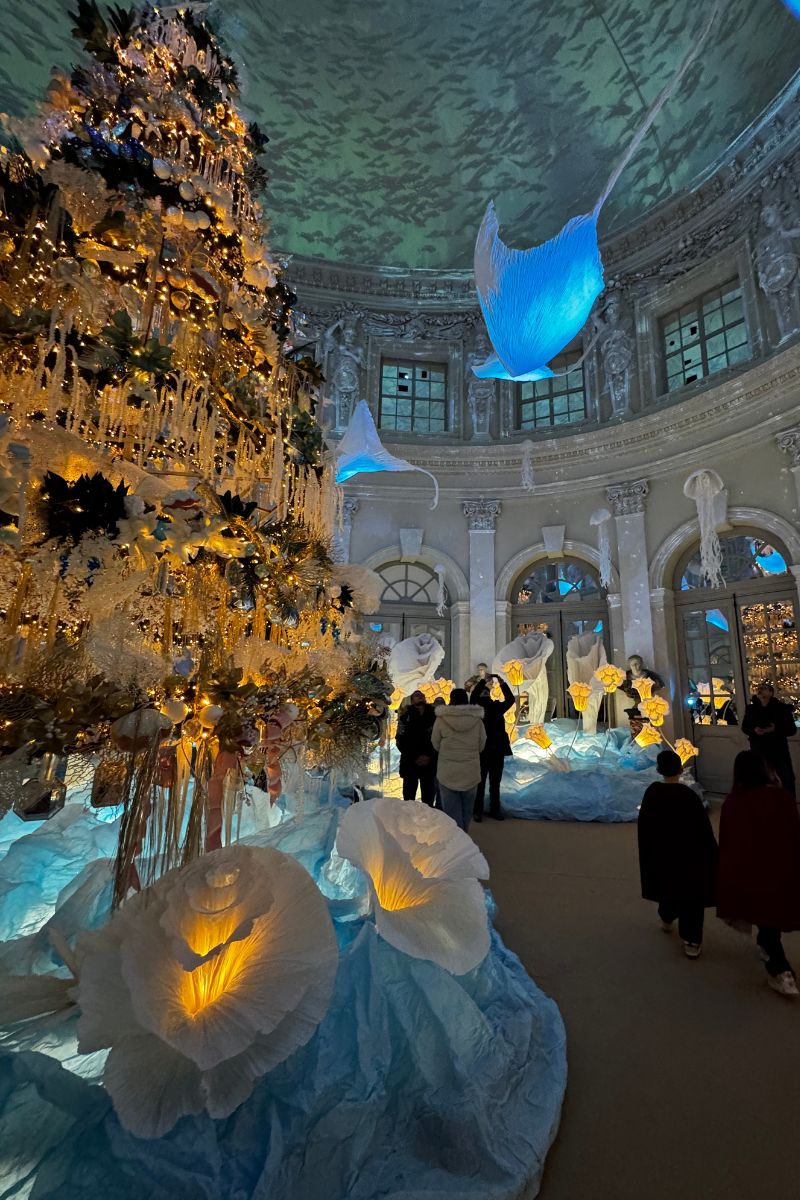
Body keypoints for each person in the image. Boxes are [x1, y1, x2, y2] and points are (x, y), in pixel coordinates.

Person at [717, 750, 800, 997]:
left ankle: (779, 968)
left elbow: (729, 842)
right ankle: (775, 960)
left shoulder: (734, 802)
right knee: (770, 912)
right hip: (779, 868)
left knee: (766, 912)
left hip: (752, 870)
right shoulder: (781, 798)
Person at [638, 749, 718, 958]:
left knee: (667, 885)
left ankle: (667, 916)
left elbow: (645, 827)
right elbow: (703, 829)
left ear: (658, 770)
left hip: (662, 854)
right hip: (689, 856)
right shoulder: (689, 796)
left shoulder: (652, 793)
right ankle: (692, 939)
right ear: (681, 769)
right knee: (691, 894)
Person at [431, 688, 486, 833]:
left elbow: (435, 743)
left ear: (451, 700)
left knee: (451, 814)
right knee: (466, 812)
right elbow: (481, 744)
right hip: (471, 771)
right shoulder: (477, 720)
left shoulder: (441, 719)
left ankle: (456, 841)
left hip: (447, 771)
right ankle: (464, 837)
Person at [470, 674, 515, 822]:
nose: (484, 693)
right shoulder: (476, 709)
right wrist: (486, 681)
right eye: (482, 692)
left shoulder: (496, 707)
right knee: (482, 782)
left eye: (486, 692)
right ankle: (480, 810)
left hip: (494, 750)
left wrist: (500, 683)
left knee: (493, 782)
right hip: (484, 750)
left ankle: (492, 809)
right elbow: (474, 696)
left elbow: (510, 700)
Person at [741, 682, 796, 795]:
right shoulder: (751, 709)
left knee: (785, 778)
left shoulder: (781, 709)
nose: (760, 690)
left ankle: (788, 802)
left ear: (771, 692)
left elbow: (791, 729)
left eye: (764, 688)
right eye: (758, 688)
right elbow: (745, 727)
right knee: (760, 778)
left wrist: (775, 729)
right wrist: (754, 730)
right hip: (758, 749)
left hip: (778, 749)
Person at [395, 690, 437, 806]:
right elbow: (400, 740)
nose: (420, 697)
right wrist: (414, 757)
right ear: (412, 700)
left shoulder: (435, 716)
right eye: (417, 696)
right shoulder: (405, 717)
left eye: (422, 695)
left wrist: (429, 756)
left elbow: (439, 738)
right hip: (410, 762)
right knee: (409, 799)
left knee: (428, 800)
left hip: (430, 763)